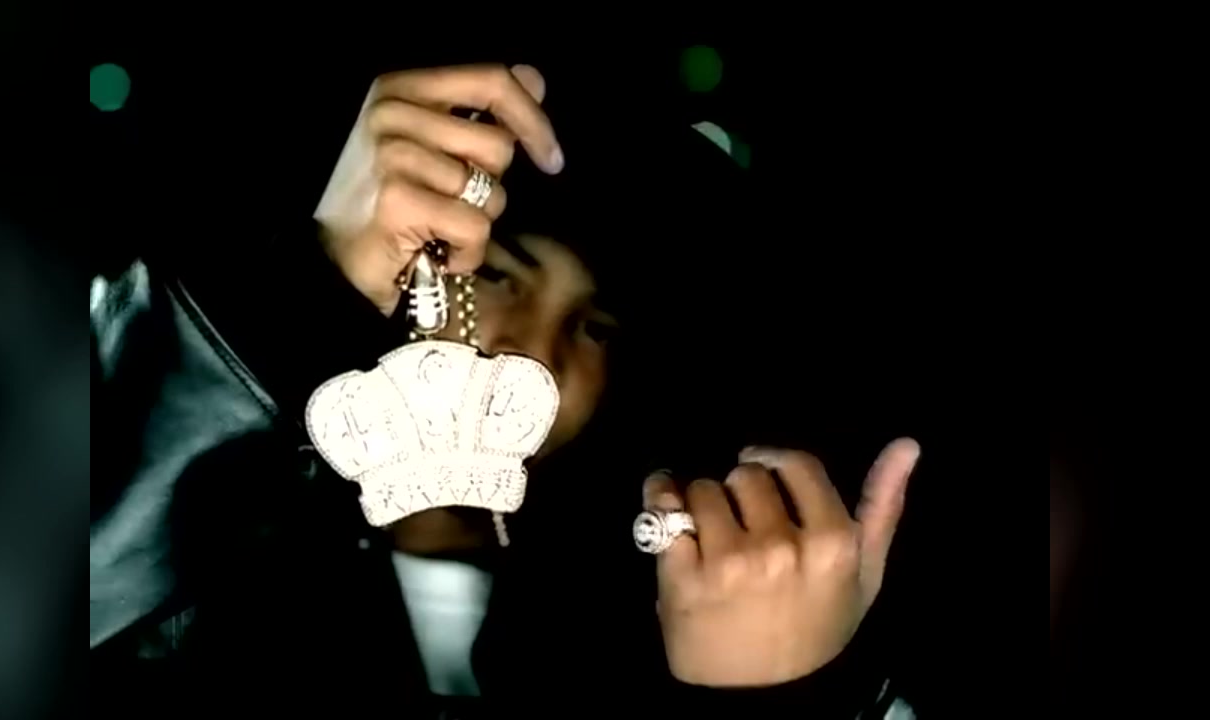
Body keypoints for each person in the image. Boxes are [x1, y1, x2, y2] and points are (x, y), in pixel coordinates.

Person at [90, 63, 920, 718]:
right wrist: (300, 295)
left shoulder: (647, 617)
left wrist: (789, 695)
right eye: (495, 278)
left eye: (593, 328)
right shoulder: (209, 553)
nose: (534, 355)